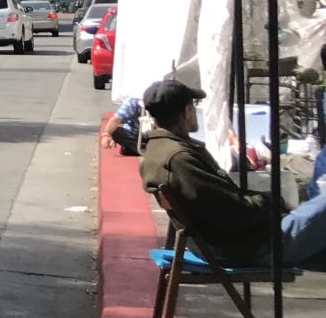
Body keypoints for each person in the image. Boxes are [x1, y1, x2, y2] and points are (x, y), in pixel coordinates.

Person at [139, 78, 326, 267]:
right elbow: (232, 213)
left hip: (233, 243)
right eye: (192, 107)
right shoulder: (180, 158)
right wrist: (273, 202)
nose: (195, 112)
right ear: (186, 111)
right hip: (247, 247)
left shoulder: (159, 150)